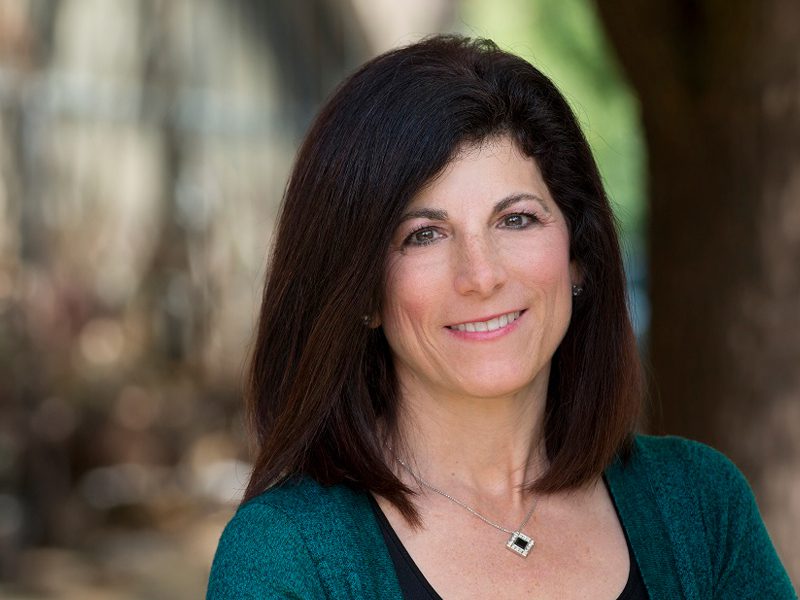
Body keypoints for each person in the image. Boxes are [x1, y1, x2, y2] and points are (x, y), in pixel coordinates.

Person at [207, 36, 795, 599]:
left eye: (515, 219)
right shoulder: (289, 557)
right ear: (360, 292)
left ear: (579, 258)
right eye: (425, 235)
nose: (481, 275)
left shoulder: (700, 506)